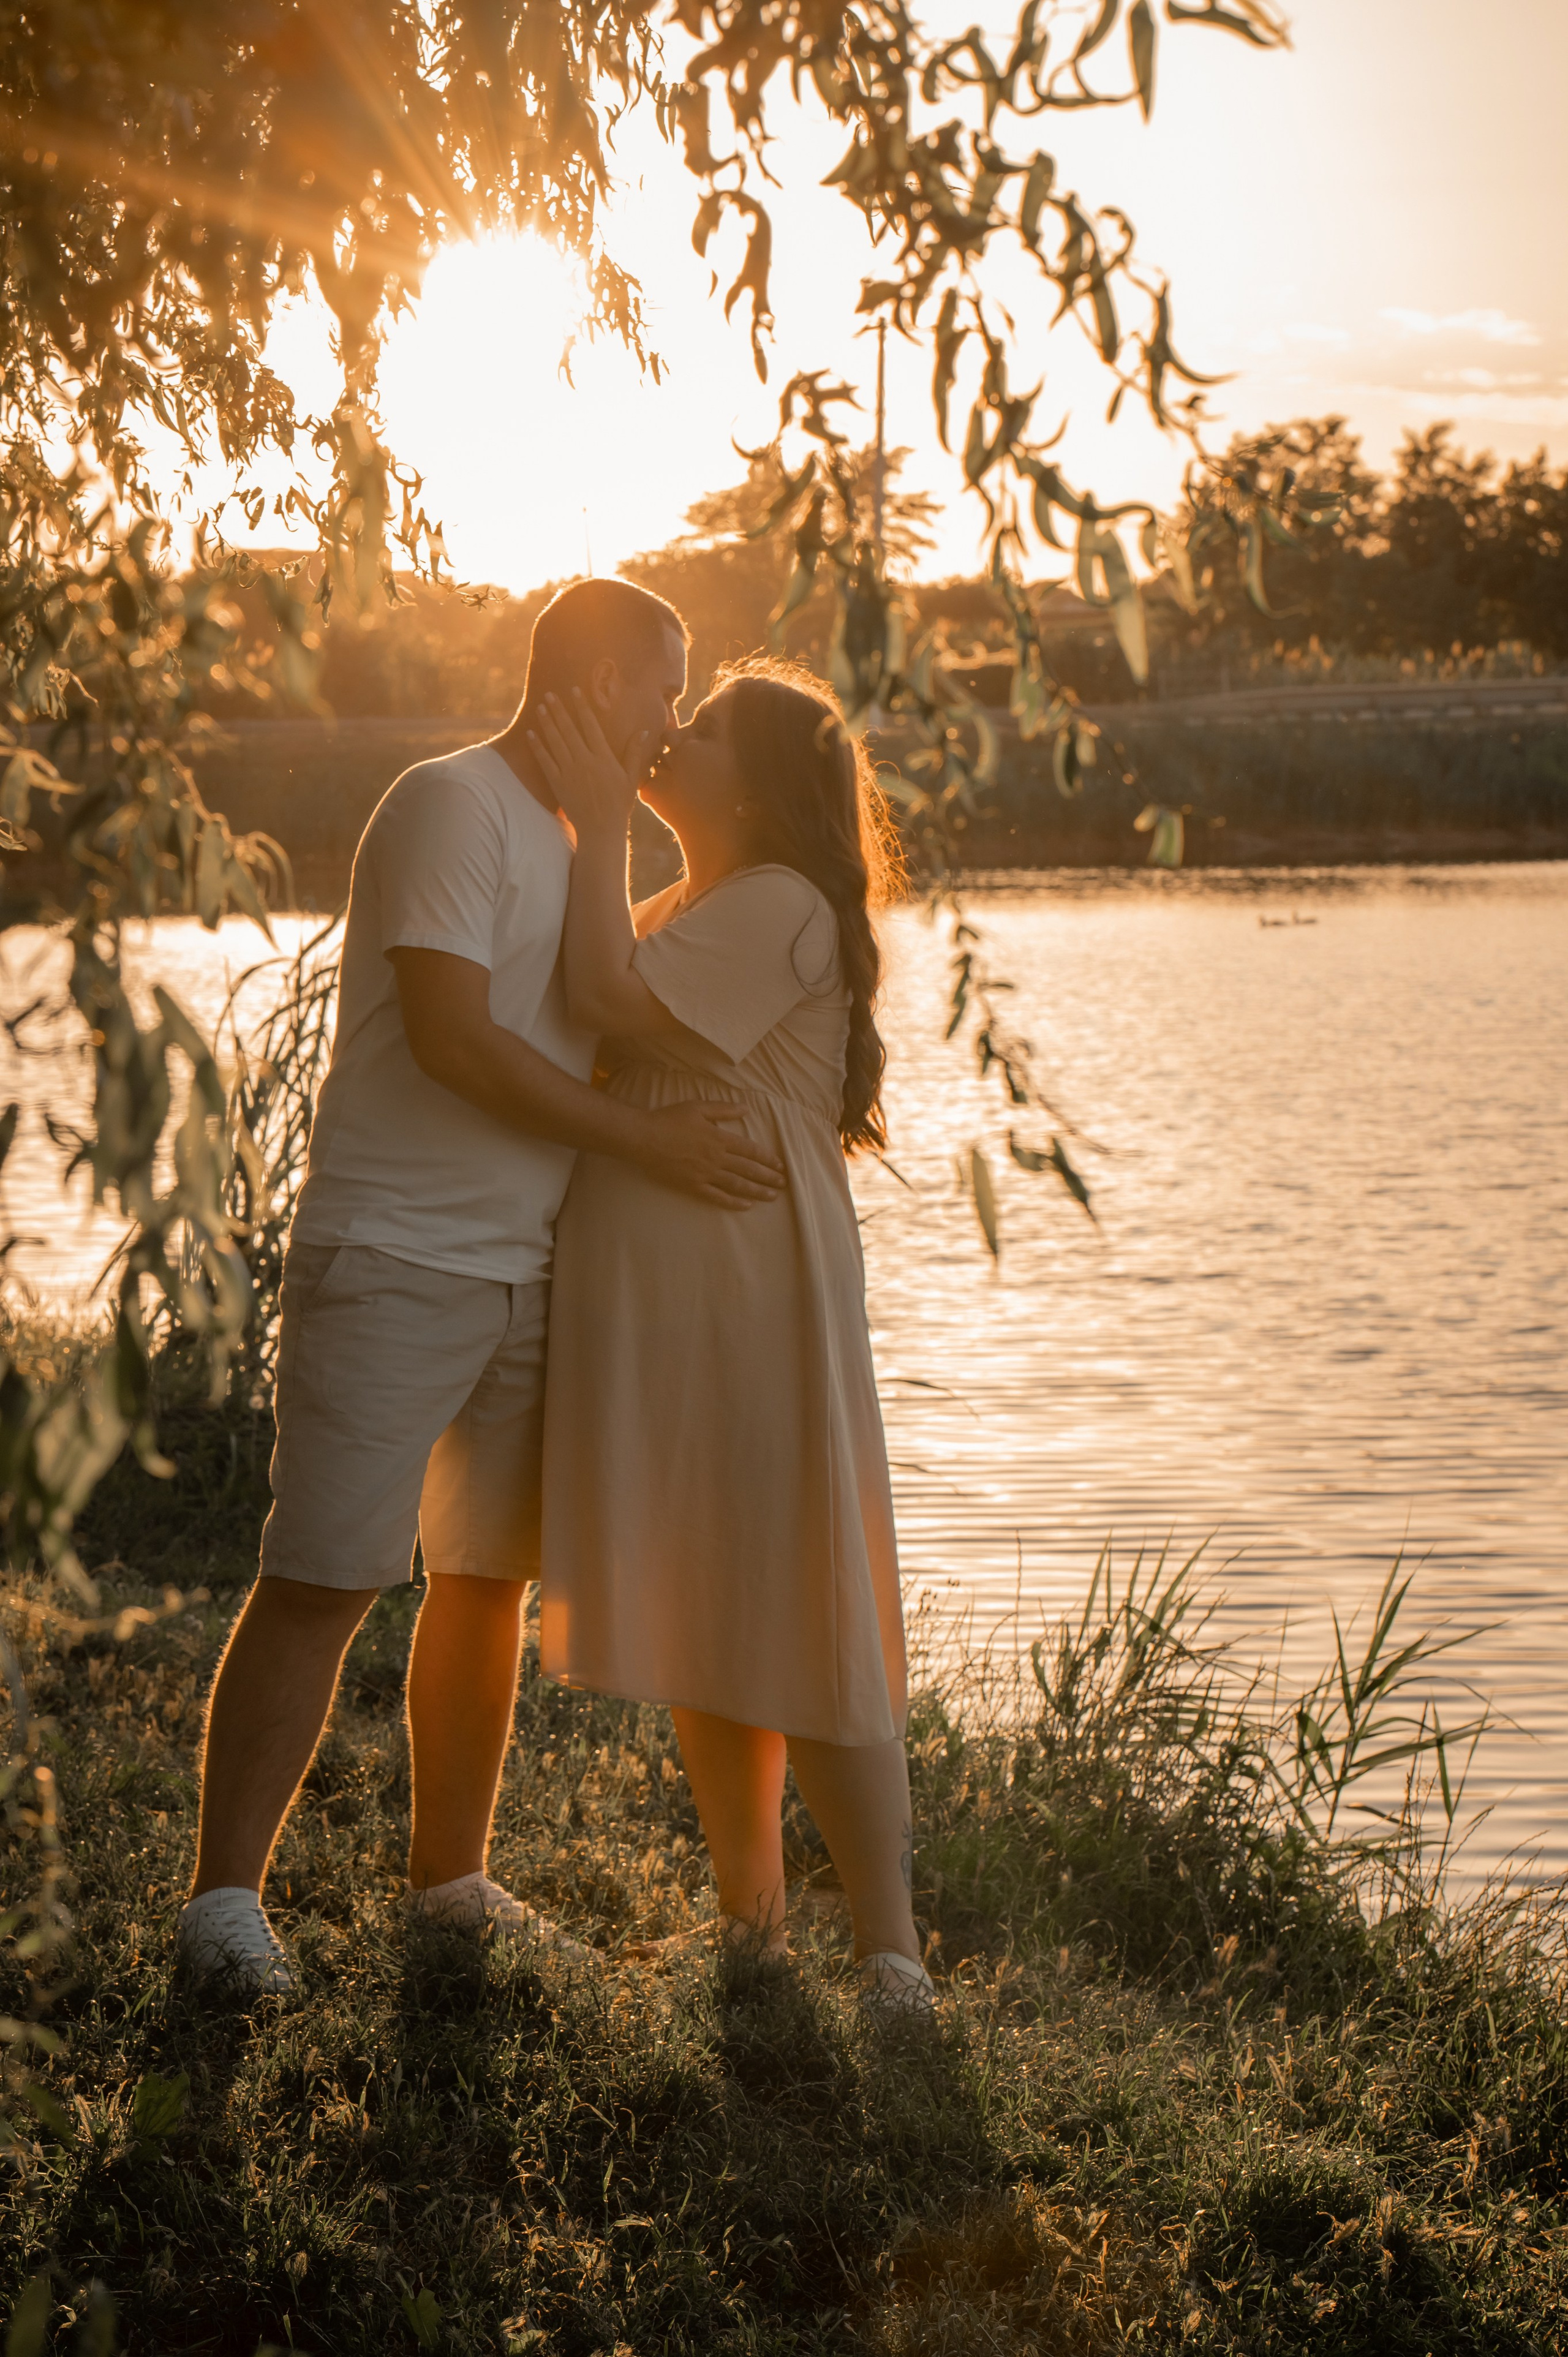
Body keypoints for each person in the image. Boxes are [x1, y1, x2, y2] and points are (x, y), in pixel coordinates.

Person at [178, 578, 785, 1994]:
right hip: (395, 1259)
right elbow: (454, 1039)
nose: (671, 719)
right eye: (662, 686)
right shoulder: (450, 804)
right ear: (596, 679)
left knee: (483, 1583)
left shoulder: (583, 840)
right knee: (323, 1576)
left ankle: (448, 1887)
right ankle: (220, 1907)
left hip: (528, 1269)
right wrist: (645, 1143)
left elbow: (610, 1010)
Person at [532, 655, 934, 2017]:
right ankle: (751, 1928)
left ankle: (890, 1953)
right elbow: (584, 1001)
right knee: (716, 1600)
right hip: (679, 1306)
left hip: (756, 1291)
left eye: (698, 729)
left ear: (755, 791)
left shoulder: (777, 904)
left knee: (807, 1602)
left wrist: (596, 814)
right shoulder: (687, 905)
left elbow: (600, 1000)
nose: (670, 735)